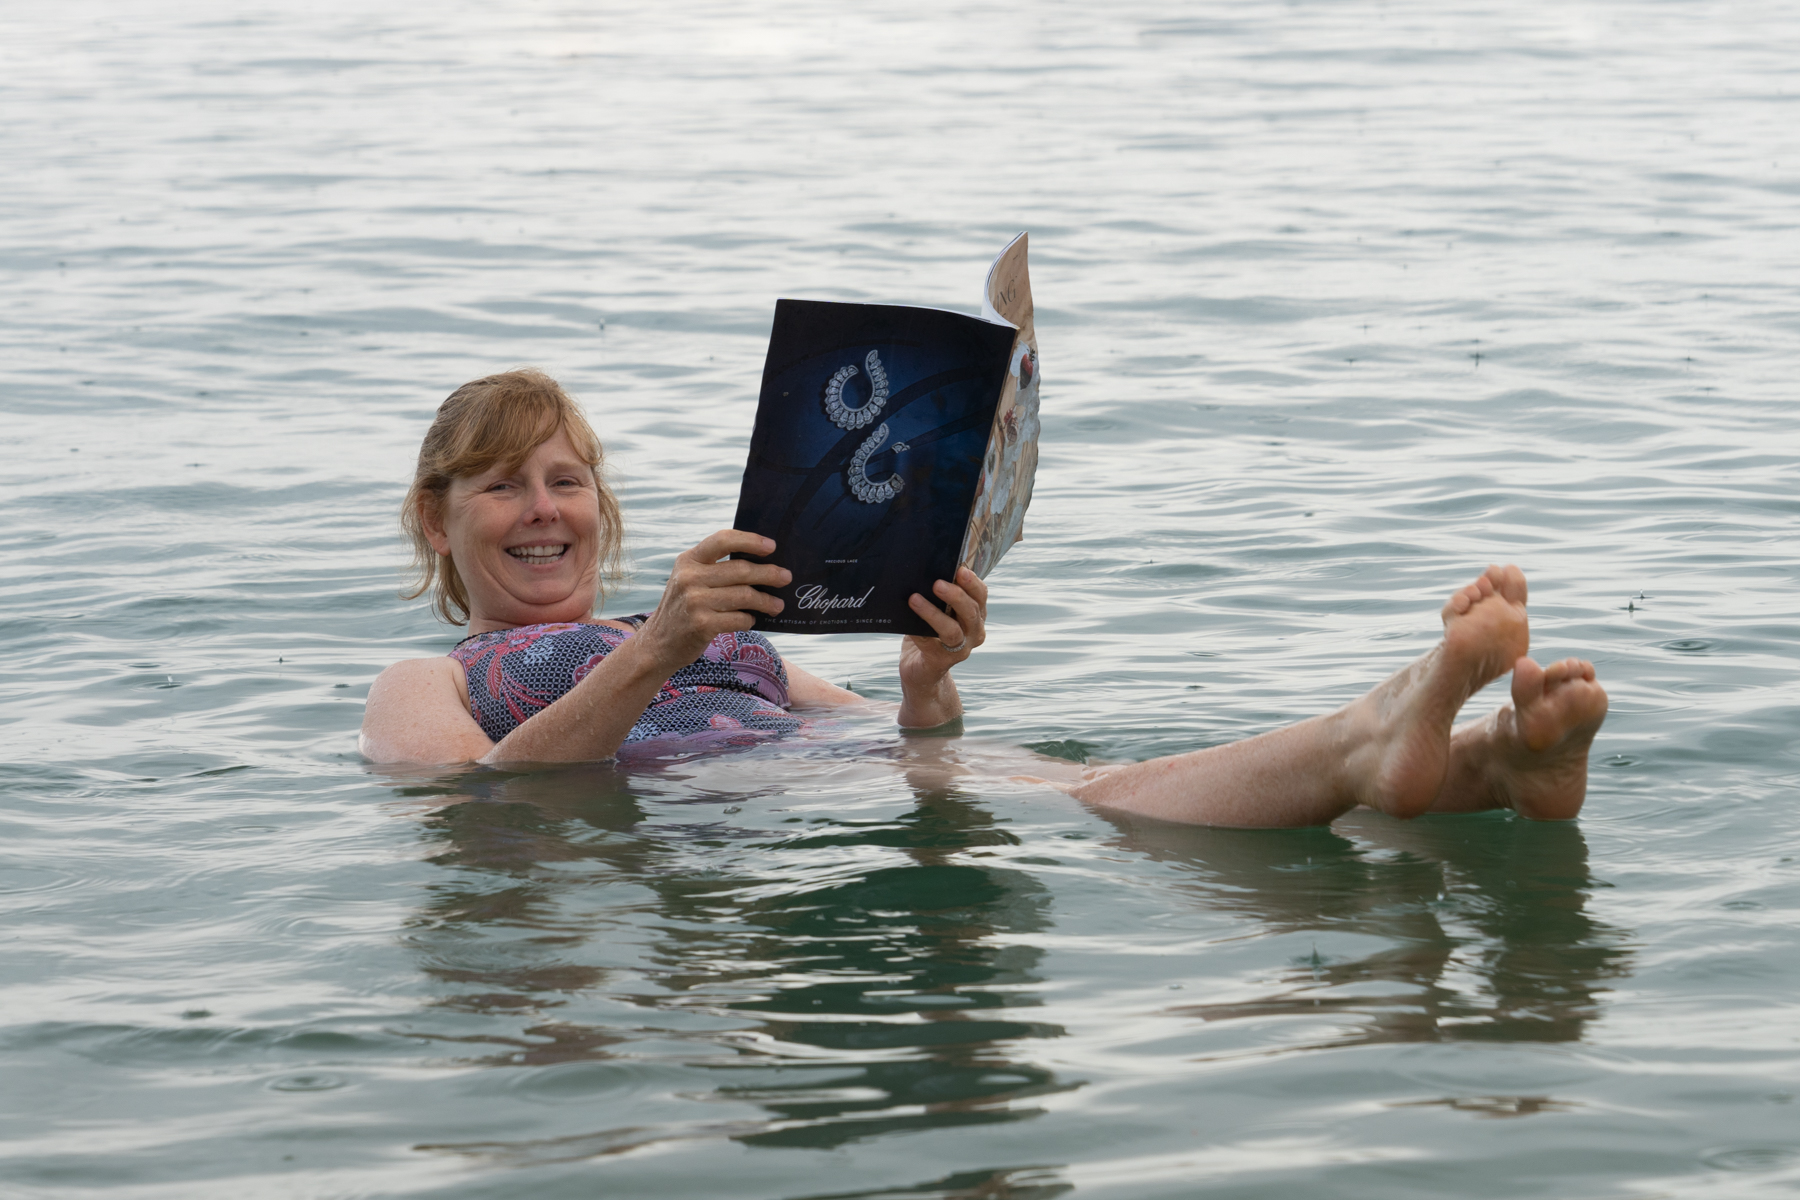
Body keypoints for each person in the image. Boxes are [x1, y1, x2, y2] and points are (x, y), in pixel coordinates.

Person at [361, 370, 1609, 828]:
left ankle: (1493, 764)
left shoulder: (700, 627)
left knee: (1096, 788)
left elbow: (891, 736)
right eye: (501, 487)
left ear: (600, 507)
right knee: (1105, 802)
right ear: (437, 521)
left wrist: (927, 682)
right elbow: (476, 797)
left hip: (832, 769)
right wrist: (652, 658)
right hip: (742, 806)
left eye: (566, 479)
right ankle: (1390, 733)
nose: (543, 508)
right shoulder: (428, 682)